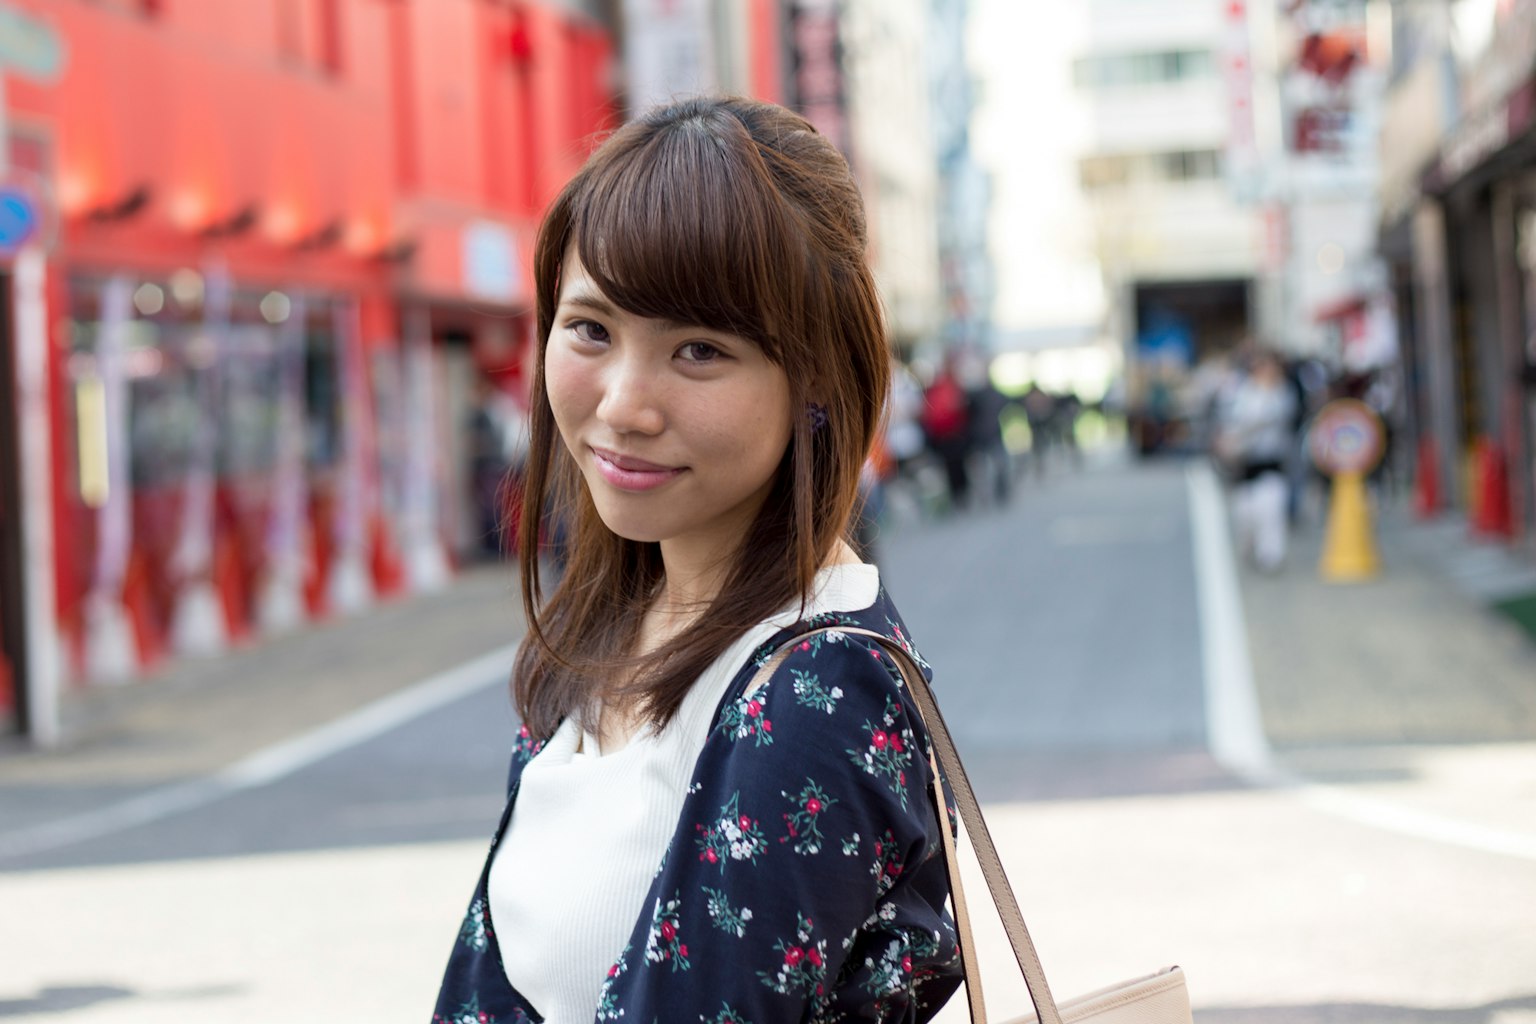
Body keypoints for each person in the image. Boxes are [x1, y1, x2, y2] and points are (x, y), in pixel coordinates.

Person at [431, 97, 963, 1023]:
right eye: (591, 330)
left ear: (818, 383)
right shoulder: (615, 625)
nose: (626, 404)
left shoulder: (814, 690)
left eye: (699, 350)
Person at [1217, 350, 1297, 573]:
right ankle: (1250, 548)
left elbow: (1270, 419)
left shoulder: (1283, 394)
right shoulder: (1243, 393)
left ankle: (1270, 557)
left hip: (1271, 464)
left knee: (1271, 512)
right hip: (1245, 466)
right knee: (1247, 516)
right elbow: (1232, 422)